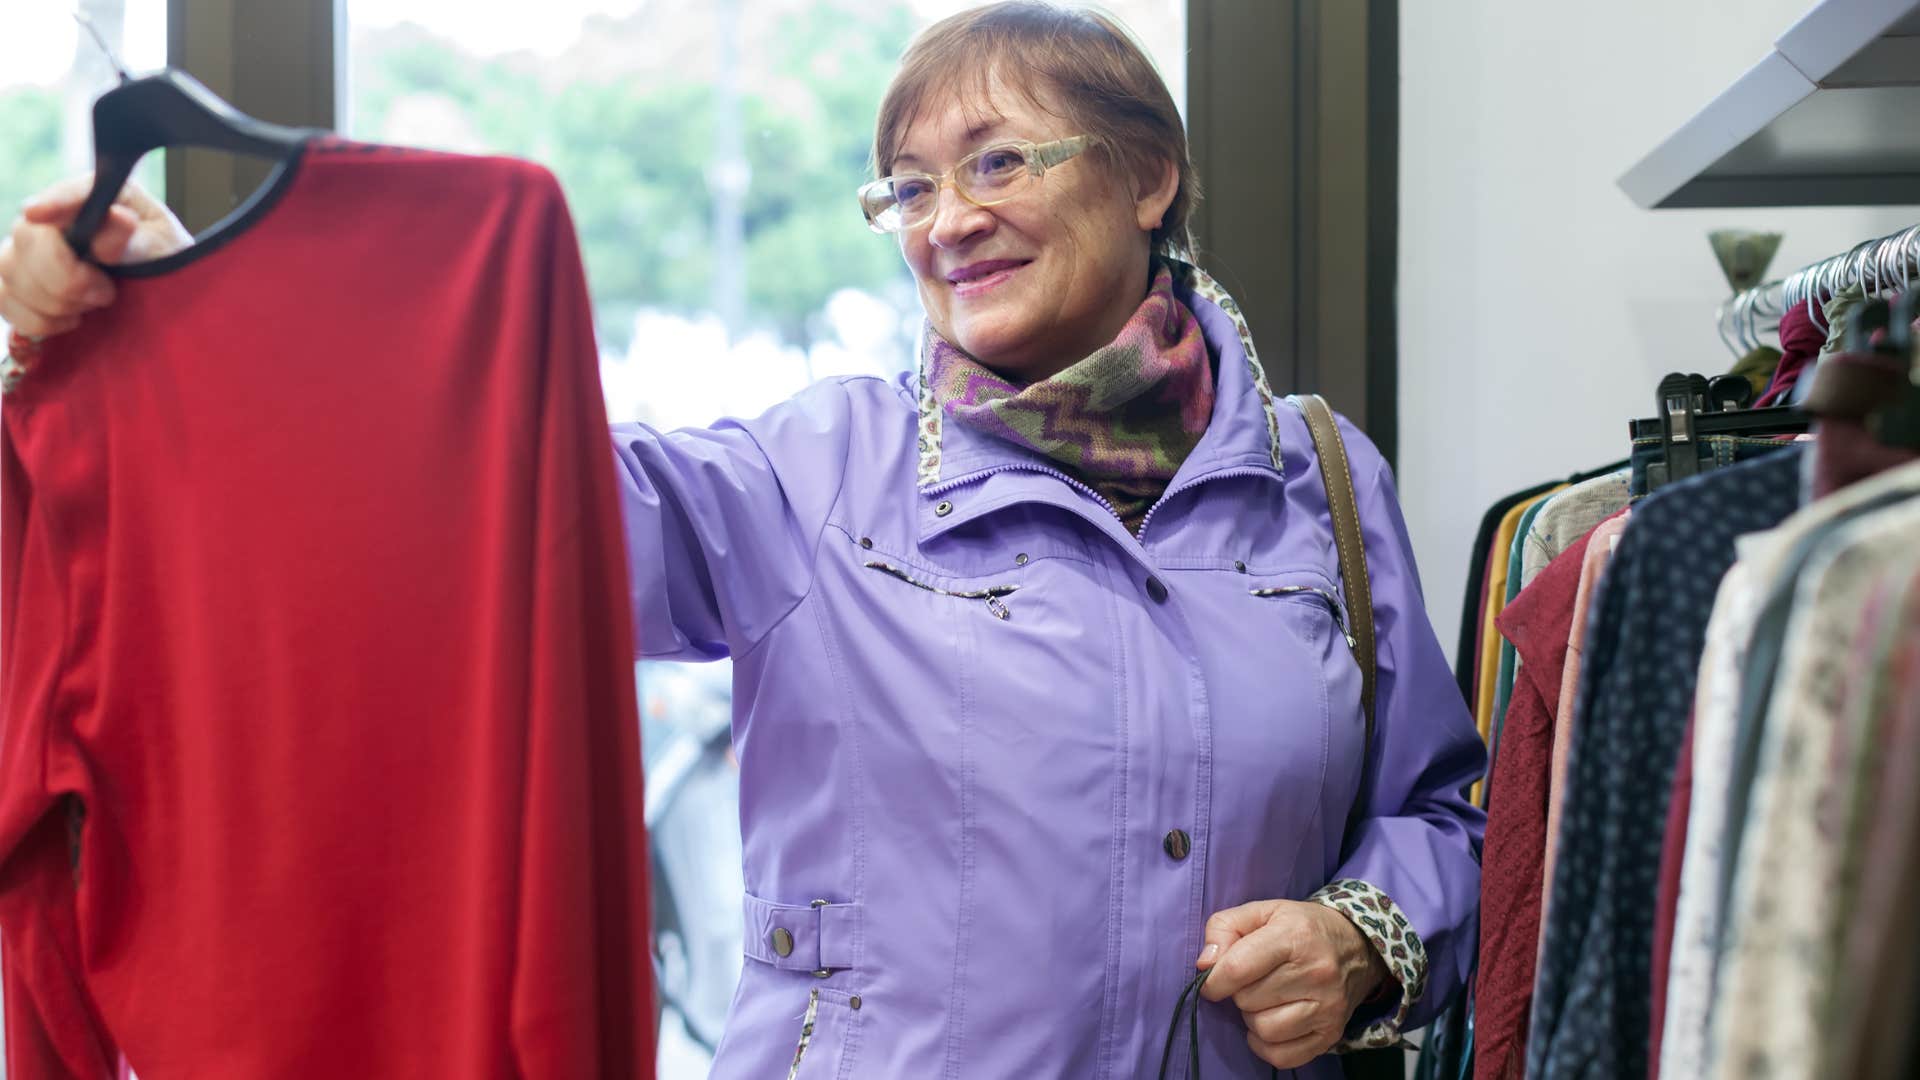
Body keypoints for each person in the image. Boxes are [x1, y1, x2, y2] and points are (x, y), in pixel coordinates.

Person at [0, 3, 1484, 1076]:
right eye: (906, 186)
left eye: (997, 163)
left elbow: (1448, 816)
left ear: (1149, 176)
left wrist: (1363, 935)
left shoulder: (1320, 480)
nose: (941, 222)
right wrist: (202, 325)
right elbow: (495, 508)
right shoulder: (814, 470)